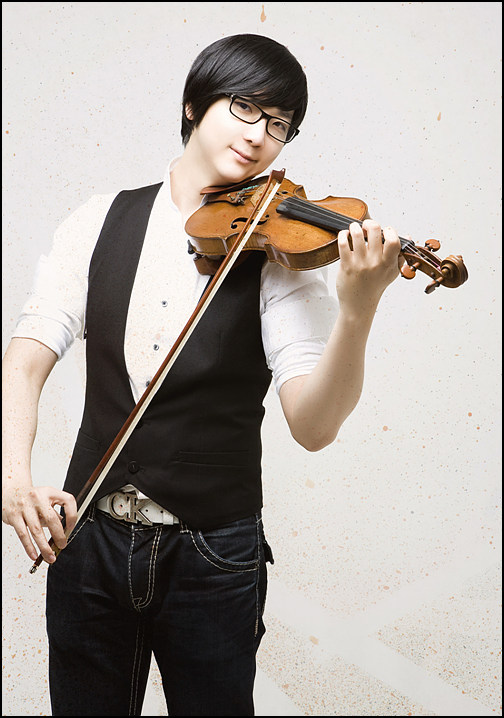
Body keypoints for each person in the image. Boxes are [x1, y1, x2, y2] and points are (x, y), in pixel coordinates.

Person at [2, 34, 402, 716]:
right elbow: (26, 356)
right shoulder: (98, 221)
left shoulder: (279, 255)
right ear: (194, 104)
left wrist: (357, 311)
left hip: (213, 555)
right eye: (245, 107)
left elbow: (313, 426)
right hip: (89, 540)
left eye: (280, 124)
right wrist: (14, 480)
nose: (259, 135)